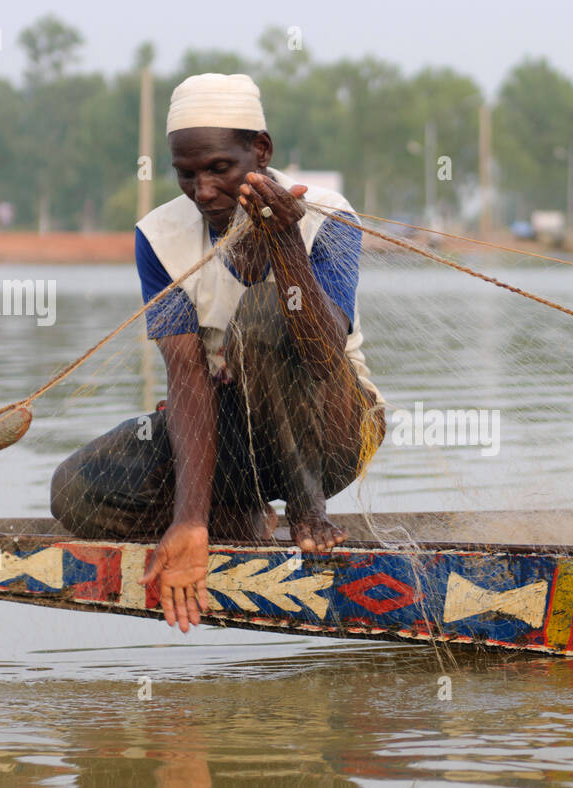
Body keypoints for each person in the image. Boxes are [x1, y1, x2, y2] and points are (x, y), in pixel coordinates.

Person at [50, 73, 384, 632]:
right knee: (76, 493)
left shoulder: (328, 215)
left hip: (334, 433)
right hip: (234, 435)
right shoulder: (159, 237)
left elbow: (327, 355)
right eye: (187, 174)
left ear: (261, 151)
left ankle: (305, 508)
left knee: (258, 314)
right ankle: (235, 515)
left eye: (220, 169)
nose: (203, 190)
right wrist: (189, 521)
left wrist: (284, 245)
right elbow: (187, 375)